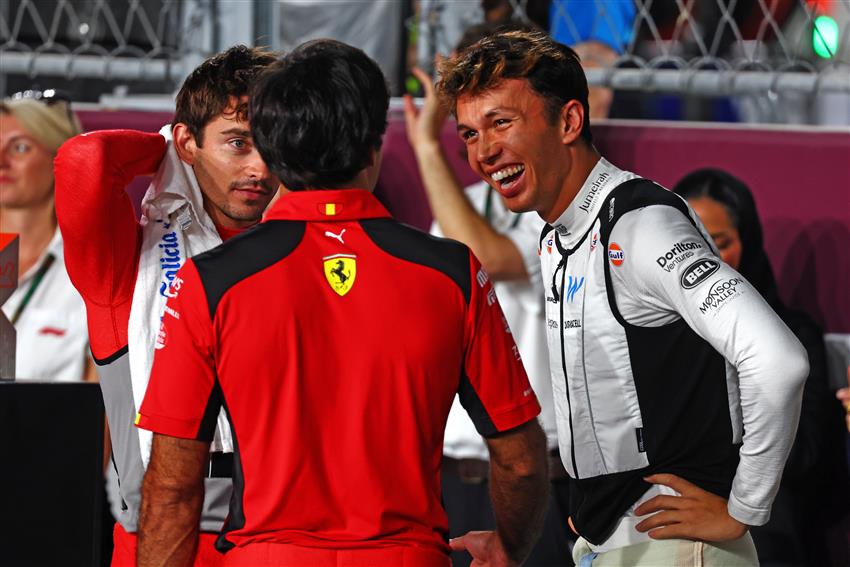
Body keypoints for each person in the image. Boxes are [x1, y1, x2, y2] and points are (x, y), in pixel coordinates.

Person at [134, 39, 549, 567]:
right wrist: (509, 546)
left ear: (273, 150)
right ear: (375, 146)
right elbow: (520, 463)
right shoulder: (453, 273)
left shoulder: (211, 282)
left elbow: (173, 486)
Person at [438, 30, 809, 566]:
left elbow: (779, 361)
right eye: (469, 134)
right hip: (613, 542)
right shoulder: (555, 234)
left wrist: (744, 507)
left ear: (568, 121)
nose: (484, 152)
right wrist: (593, 508)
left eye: (501, 123)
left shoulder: (639, 225)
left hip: (676, 544)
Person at [54, 45, 279, 567]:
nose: (259, 168)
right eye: (238, 143)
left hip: (286, 544)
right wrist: (168, 151)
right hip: (160, 544)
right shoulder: (127, 264)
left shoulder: (312, 249)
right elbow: (86, 161)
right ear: (188, 142)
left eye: (273, 144)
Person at [404, 21, 572, 567]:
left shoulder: (560, 206)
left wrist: (426, 147)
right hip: (450, 477)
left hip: (537, 479)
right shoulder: (457, 208)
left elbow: (490, 258)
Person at [674, 168, 850, 567]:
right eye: (691, 244)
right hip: (670, 520)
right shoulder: (652, 333)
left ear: (748, 242)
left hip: (765, 526)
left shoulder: (793, 335)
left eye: (720, 242)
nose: (709, 260)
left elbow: (804, 458)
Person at [0, 90, 95, 383]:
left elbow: (105, 405)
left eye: (19, 148)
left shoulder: (92, 272)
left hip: (54, 427)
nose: (1, 162)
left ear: (61, 159)